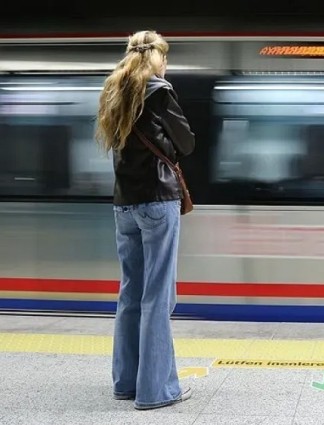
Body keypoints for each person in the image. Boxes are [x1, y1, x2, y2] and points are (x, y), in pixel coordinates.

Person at [95, 30, 195, 410]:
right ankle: (156, 390)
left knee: (131, 292)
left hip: (124, 204)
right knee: (157, 295)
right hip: (157, 201)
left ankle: (125, 382)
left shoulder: (114, 93)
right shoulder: (159, 91)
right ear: (156, 59)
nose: (166, 65)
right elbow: (186, 143)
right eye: (164, 58)